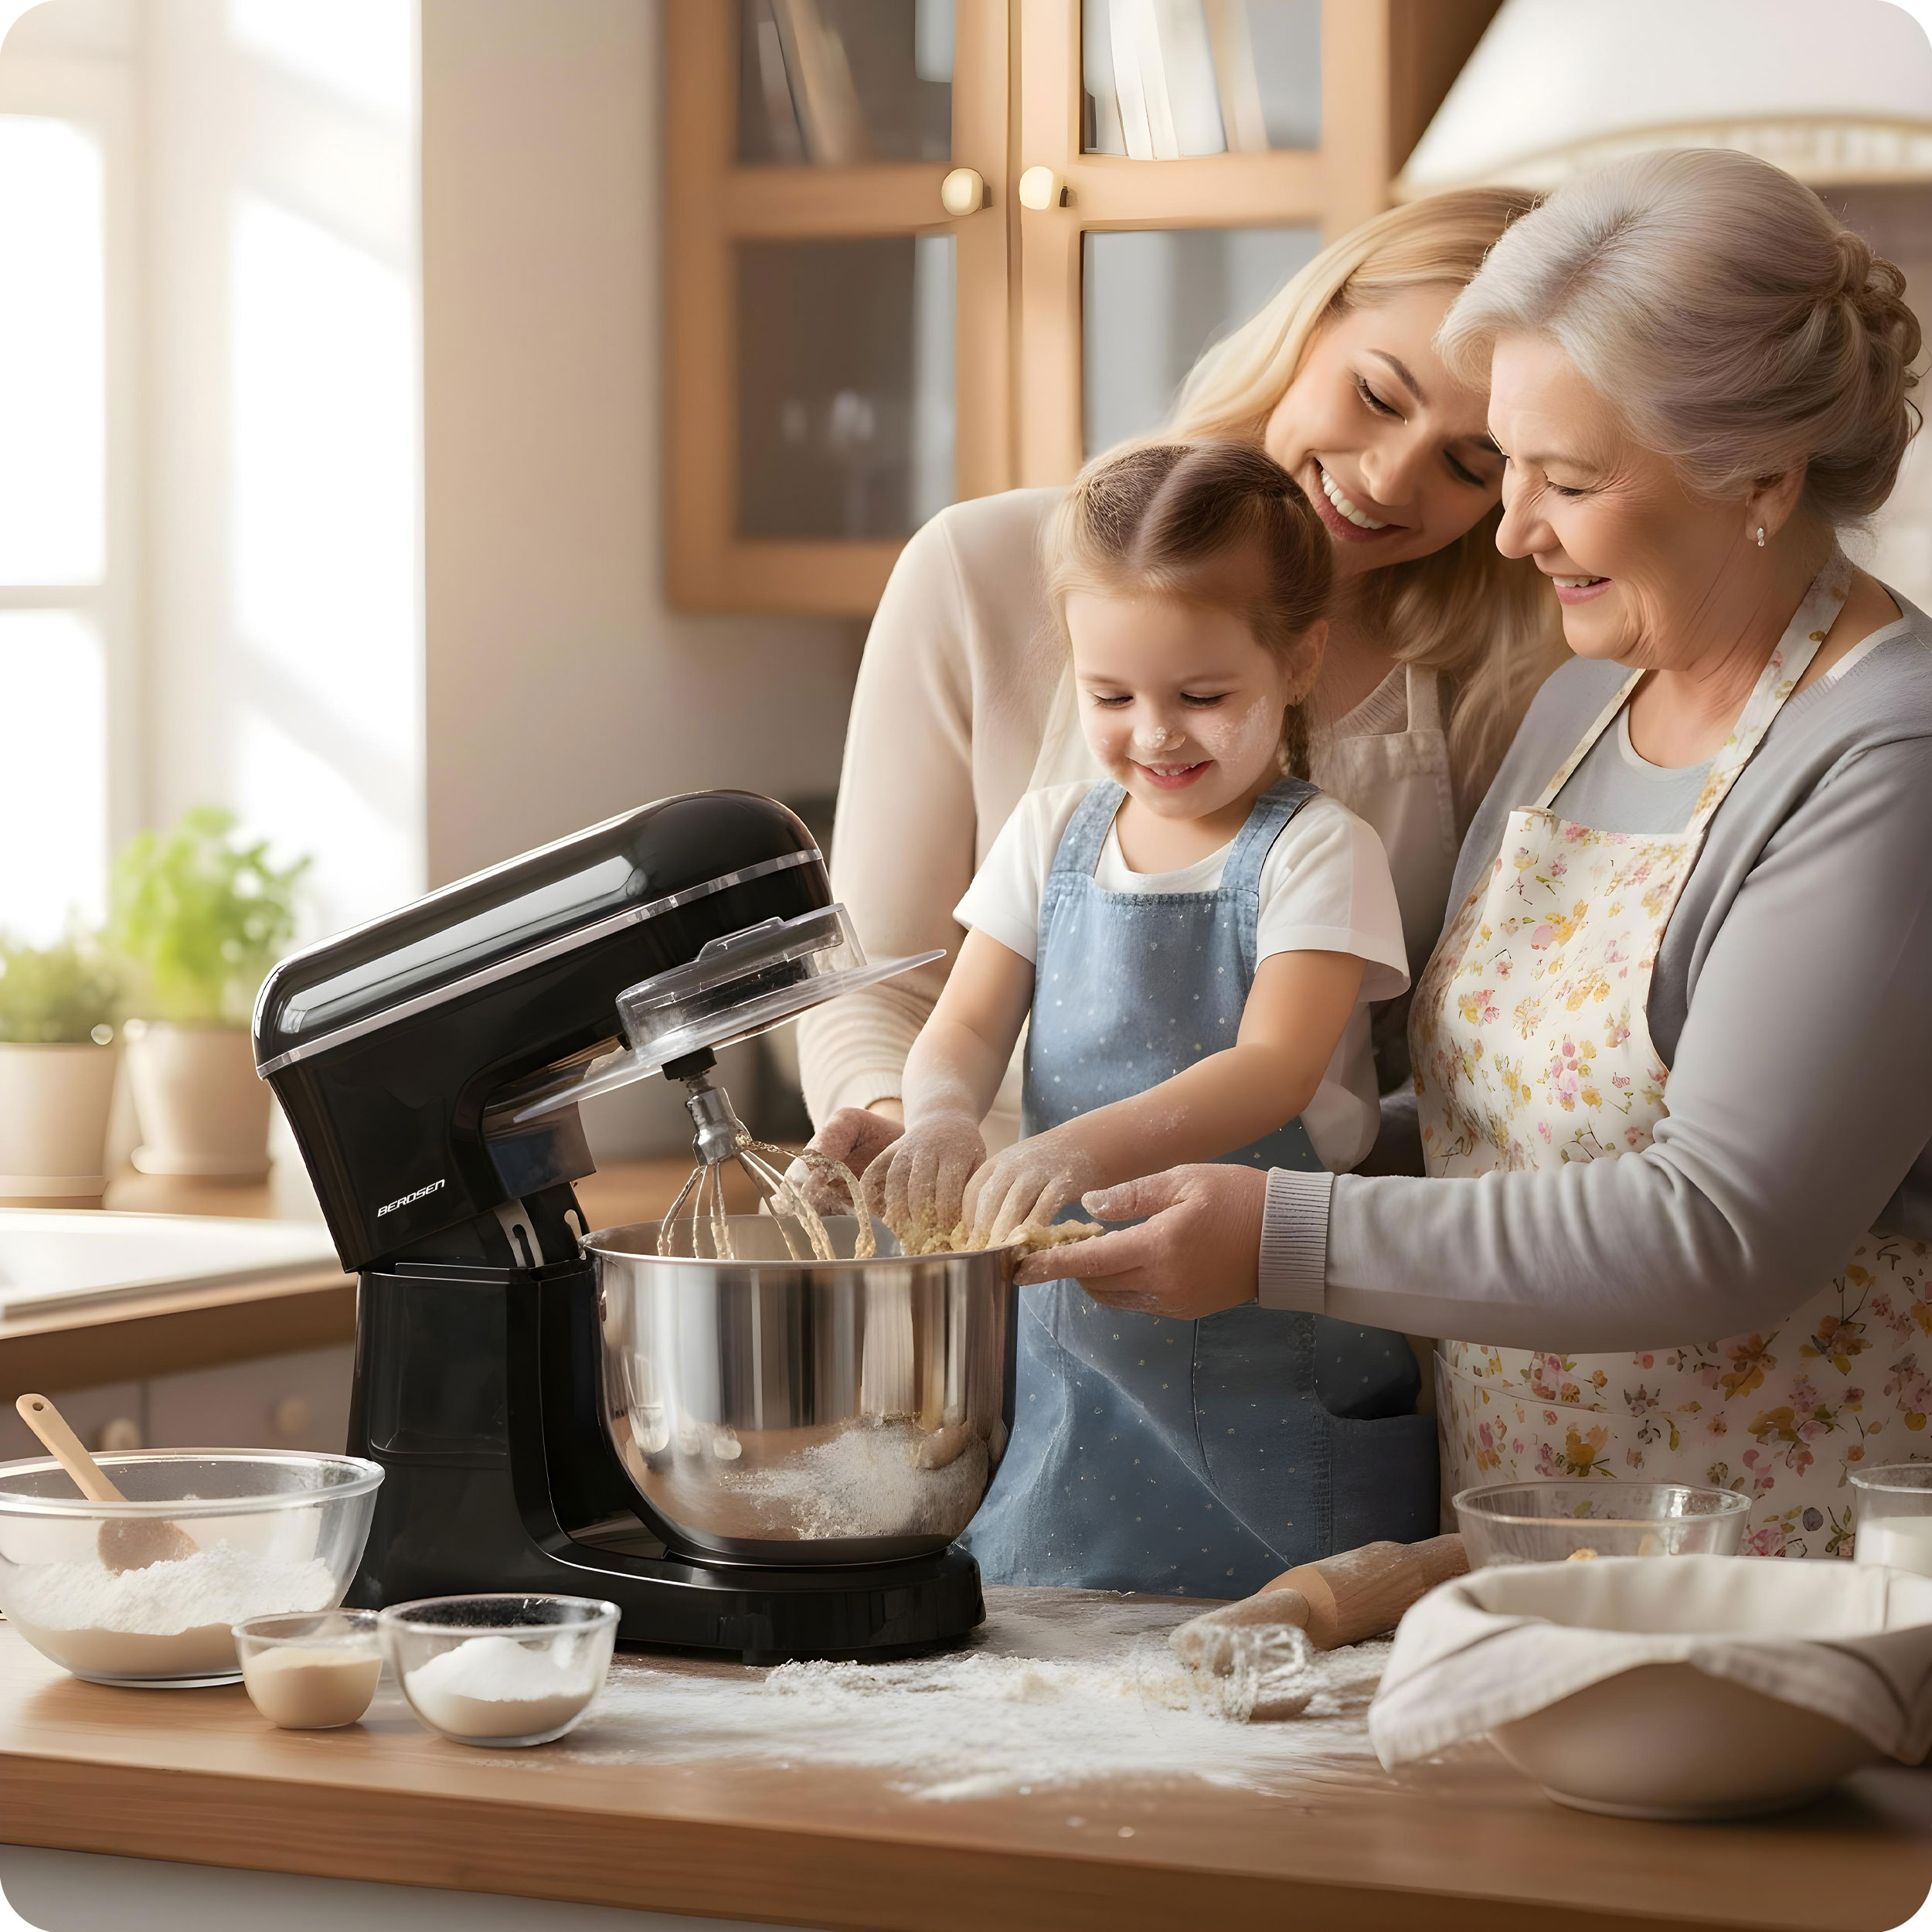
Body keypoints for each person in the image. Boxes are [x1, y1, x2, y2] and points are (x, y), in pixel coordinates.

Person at [1032, 148, 1932, 1560]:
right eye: (1503, 468)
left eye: (1563, 480)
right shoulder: (1586, 698)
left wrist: (1280, 1230)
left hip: (1785, 1583)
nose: (1511, 530)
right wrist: (1212, 1157)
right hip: (1536, 1550)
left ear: (1758, 472)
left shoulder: (1890, 757)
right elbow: (1490, 1141)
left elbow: (1721, 1228)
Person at [799, 189, 1566, 1178]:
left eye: (1470, 464)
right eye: (1376, 396)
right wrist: (910, 1127)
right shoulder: (978, 568)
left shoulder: (1492, 684)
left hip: (1294, 1250)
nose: (1386, 477)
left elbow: (1422, 1070)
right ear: (1311, 321)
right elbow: (874, 983)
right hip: (992, 1240)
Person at [862, 442, 1418, 1595]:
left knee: (1281, 1643)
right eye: (1110, 696)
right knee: (1061, 1626)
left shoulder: (1320, 851)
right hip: (1082, 1345)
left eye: (1203, 698)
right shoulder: (1051, 830)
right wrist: (941, 1121)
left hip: (1275, 1318)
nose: (1155, 733)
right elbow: (964, 1029)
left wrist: (1075, 1144)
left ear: (1299, 658)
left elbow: (1270, 1069)